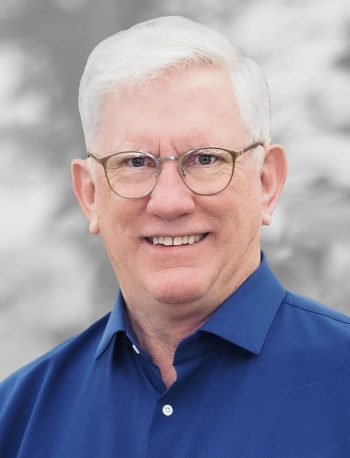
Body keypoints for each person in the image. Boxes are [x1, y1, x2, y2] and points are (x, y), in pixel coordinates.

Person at [1, 16, 350, 458]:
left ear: (266, 183)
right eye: (135, 163)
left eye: (205, 159)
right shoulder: (16, 420)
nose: (169, 202)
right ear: (90, 195)